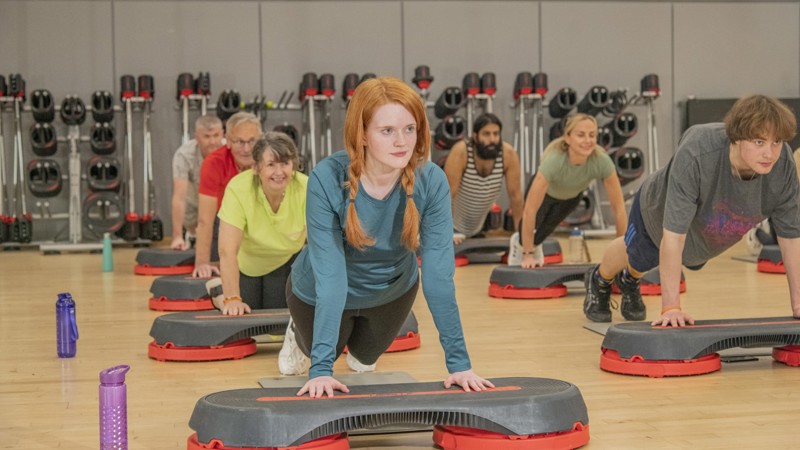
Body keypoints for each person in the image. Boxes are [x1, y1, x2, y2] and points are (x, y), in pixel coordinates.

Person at [279, 76, 494, 398]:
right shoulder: (326, 177)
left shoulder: (430, 180)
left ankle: (359, 347)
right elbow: (331, 277)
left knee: (365, 359)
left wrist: (459, 365)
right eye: (387, 131)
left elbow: (438, 277)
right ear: (362, 134)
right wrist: (321, 369)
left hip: (391, 290)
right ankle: (297, 335)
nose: (402, 142)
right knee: (323, 351)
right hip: (319, 290)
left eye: (410, 129)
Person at [583, 94, 800, 326]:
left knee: (645, 265)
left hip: (703, 237)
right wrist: (671, 308)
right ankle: (600, 279)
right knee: (639, 255)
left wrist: (798, 304)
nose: (770, 153)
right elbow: (674, 237)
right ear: (736, 137)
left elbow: (791, 238)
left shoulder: (783, 167)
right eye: (759, 142)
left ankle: (628, 279)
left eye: (776, 142)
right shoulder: (698, 151)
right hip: (657, 215)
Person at [208, 131, 308, 315]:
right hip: (247, 265)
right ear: (256, 167)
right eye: (271, 165)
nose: (279, 172)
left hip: (287, 260)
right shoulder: (238, 188)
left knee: (276, 315)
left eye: (285, 164)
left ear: (293, 165)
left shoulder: (306, 188)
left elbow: (320, 245)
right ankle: (218, 292)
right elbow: (227, 250)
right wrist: (232, 299)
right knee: (240, 309)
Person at [514, 113, 626, 268]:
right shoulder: (554, 160)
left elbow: (619, 209)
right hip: (546, 195)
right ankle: (520, 245)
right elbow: (529, 212)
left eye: (592, 135)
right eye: (581, 135)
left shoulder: (601, 160)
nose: (587, 141)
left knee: (547, 228)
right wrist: (527, 255)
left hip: (571, 197)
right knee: (535, 222)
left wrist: (622, 254)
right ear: (567, 137)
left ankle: (534, 244)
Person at [193, 112, 262, 278]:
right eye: (240, 141)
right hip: (226, 222)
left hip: (261, 220)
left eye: (252, 141)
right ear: (228, 141)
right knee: (221, 265)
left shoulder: (269, 161)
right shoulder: (214, 163)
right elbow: (205, 220)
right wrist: (202, 262)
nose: (246, 149)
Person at [443, 113, 524, 244]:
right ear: (475, 136)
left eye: (496, 134)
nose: (492, 139)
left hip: (480, 228)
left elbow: (516, 197)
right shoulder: (461, 152)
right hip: (453, 225)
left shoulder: (508, 154)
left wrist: (521, 235)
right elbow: (447, 195)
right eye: (486, 134)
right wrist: (446, 232)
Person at [170, 115, 224, 250]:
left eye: (216, 135)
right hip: (195, 202)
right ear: (196, 137)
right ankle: (192, 235)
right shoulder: (183, 155)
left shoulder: (231, 151)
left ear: (222, 134)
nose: (212, 141)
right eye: (206, 136)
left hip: (223, 199)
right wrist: (177, 237)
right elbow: (179, 198)